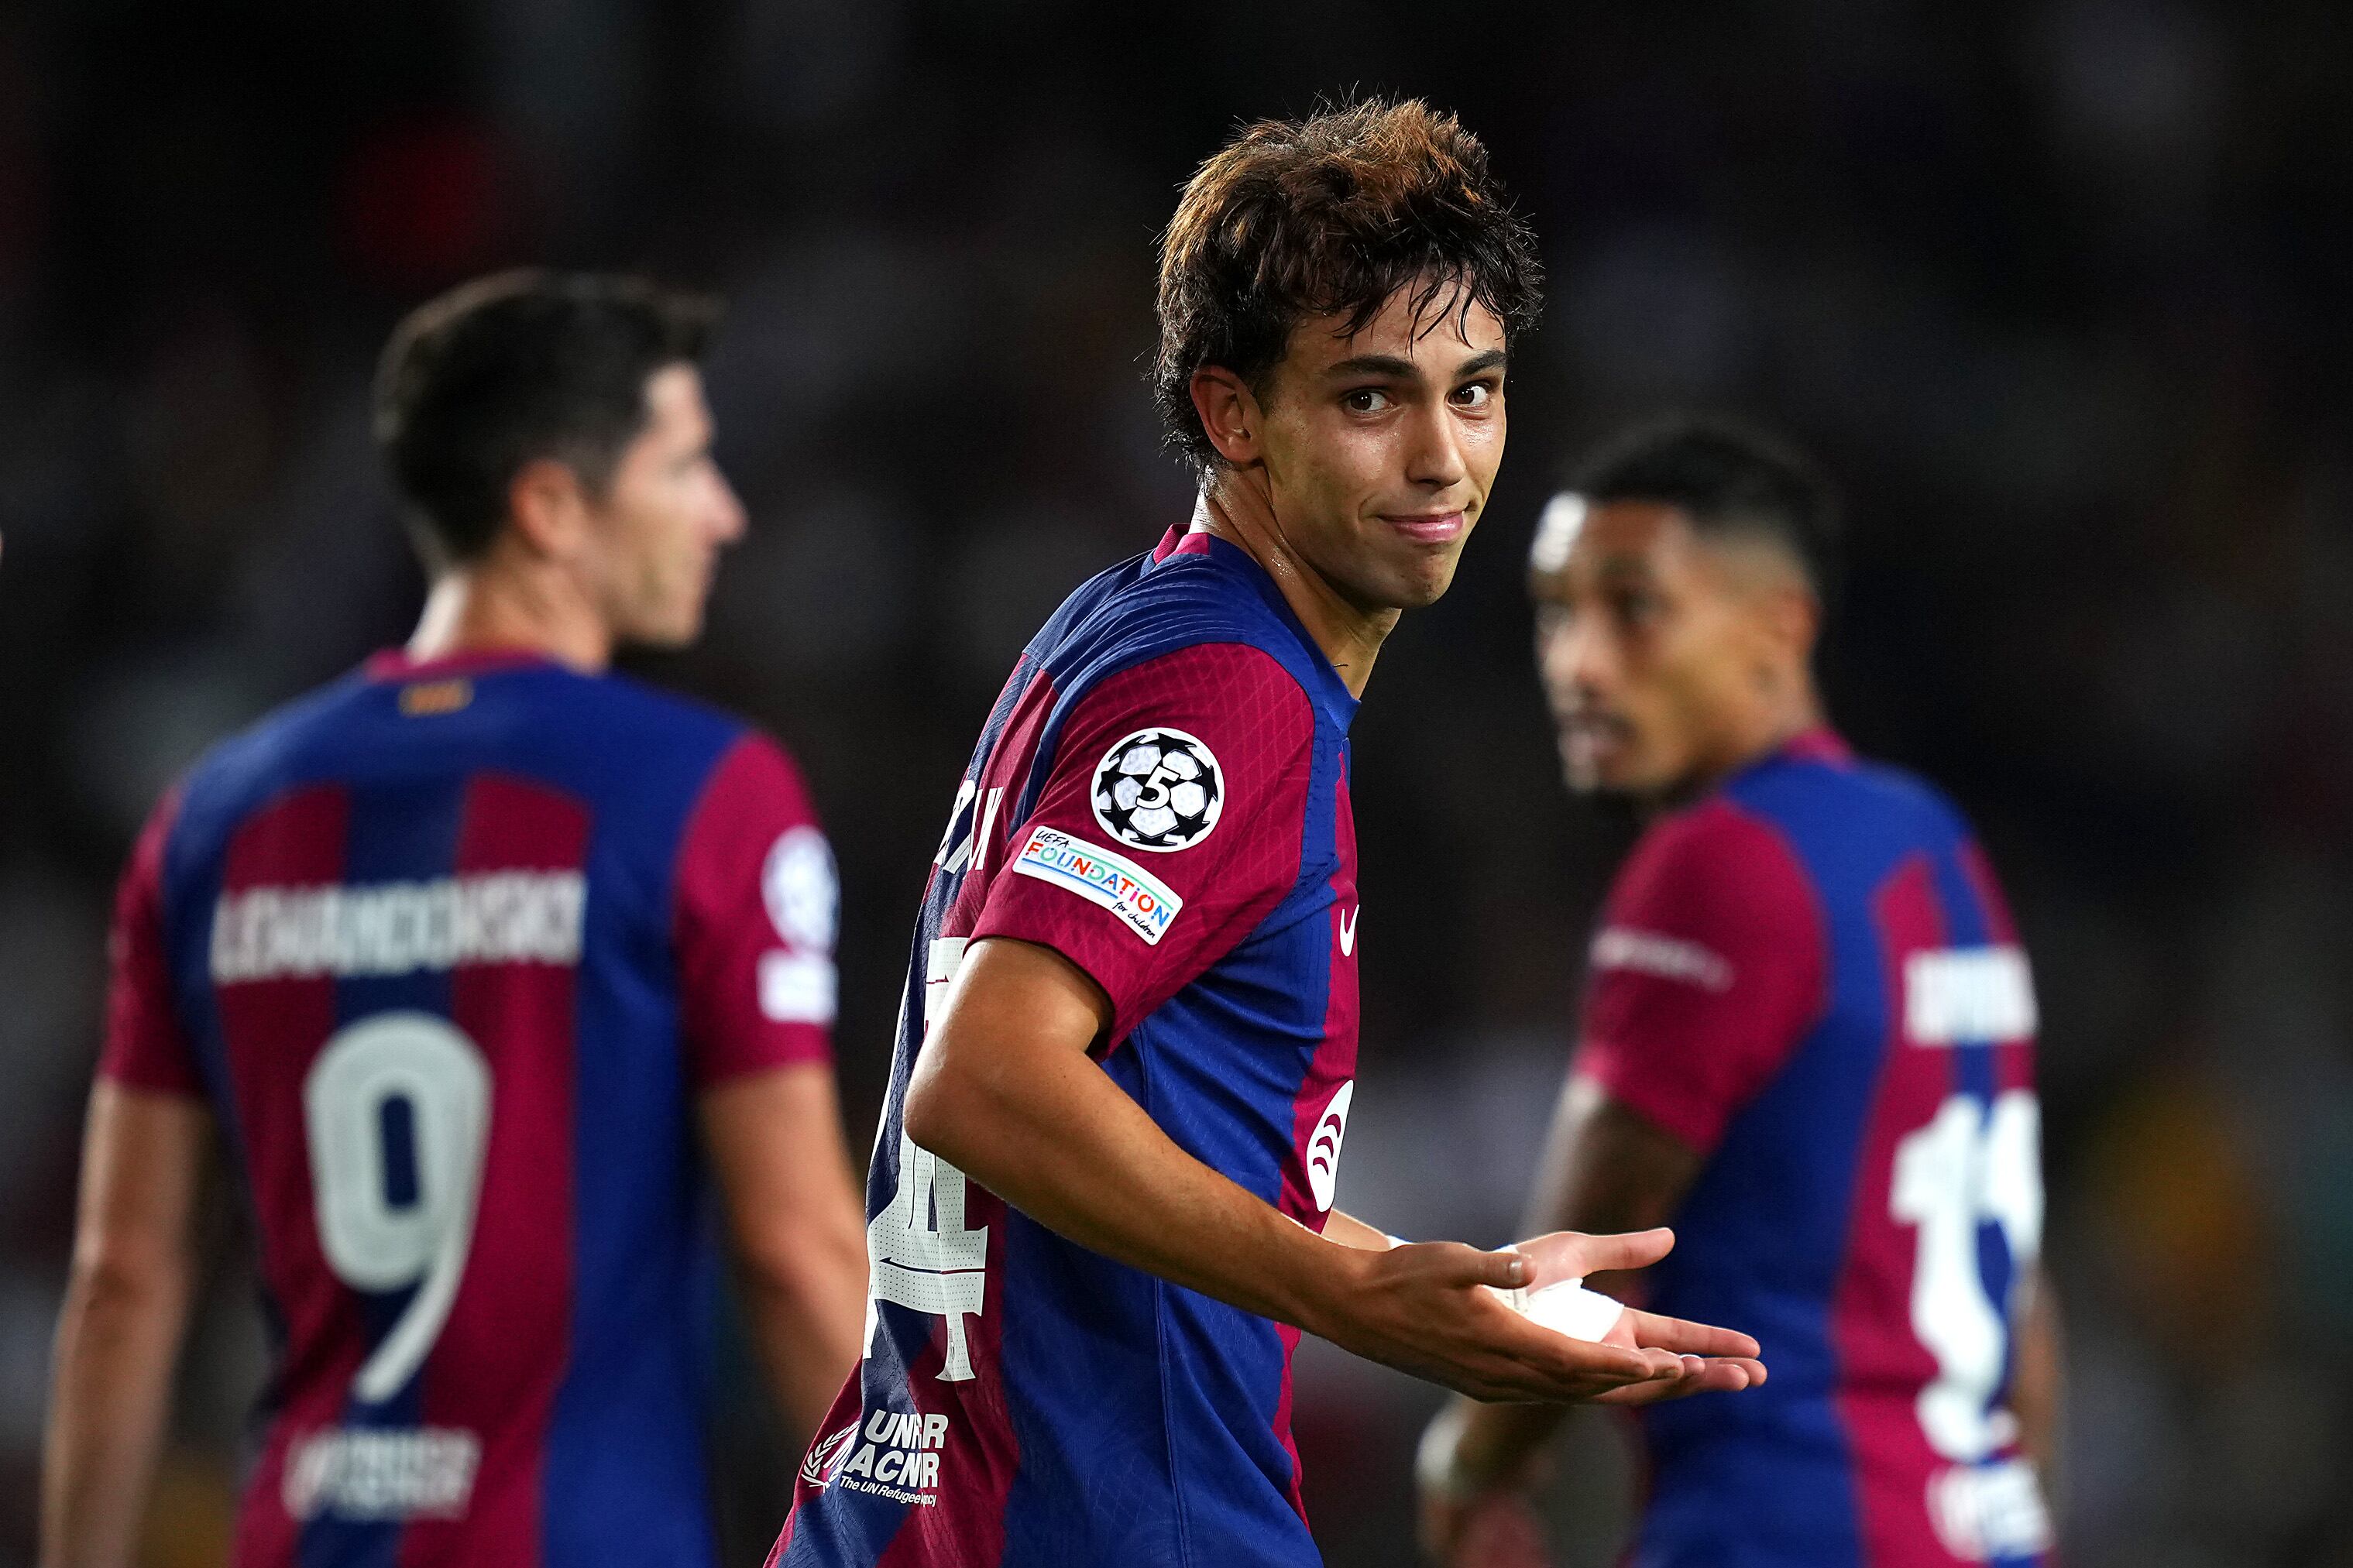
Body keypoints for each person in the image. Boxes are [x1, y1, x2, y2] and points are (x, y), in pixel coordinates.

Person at [772, 101, 1763, 1568]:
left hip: (913, 1512)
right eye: (1371, 399)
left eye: (1474, 391)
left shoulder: (1118, 626)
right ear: (1232, 415)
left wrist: (1430, 1284)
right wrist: (1342, 1297)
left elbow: (1153, 1142)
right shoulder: (1230, 692)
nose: (1441, 459)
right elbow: (978, 1079)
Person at [41, 271, 871, 1568]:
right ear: (551, 507)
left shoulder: (212, 816)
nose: (724, 510)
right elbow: (793, 1248)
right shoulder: (704, 792)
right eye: (686, 465)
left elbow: (123, 1279)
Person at [1417, 419, 2061, 1567]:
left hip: (1778, 1524)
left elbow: (1573, 1268)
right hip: (1981, 1528)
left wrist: (1469, 1464)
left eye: (1633, 607)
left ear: (1780, 625)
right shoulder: (1933, 847)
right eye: (1556, 613)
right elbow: (2018, 1287)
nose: (1578, 661)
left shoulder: (1718, 860)